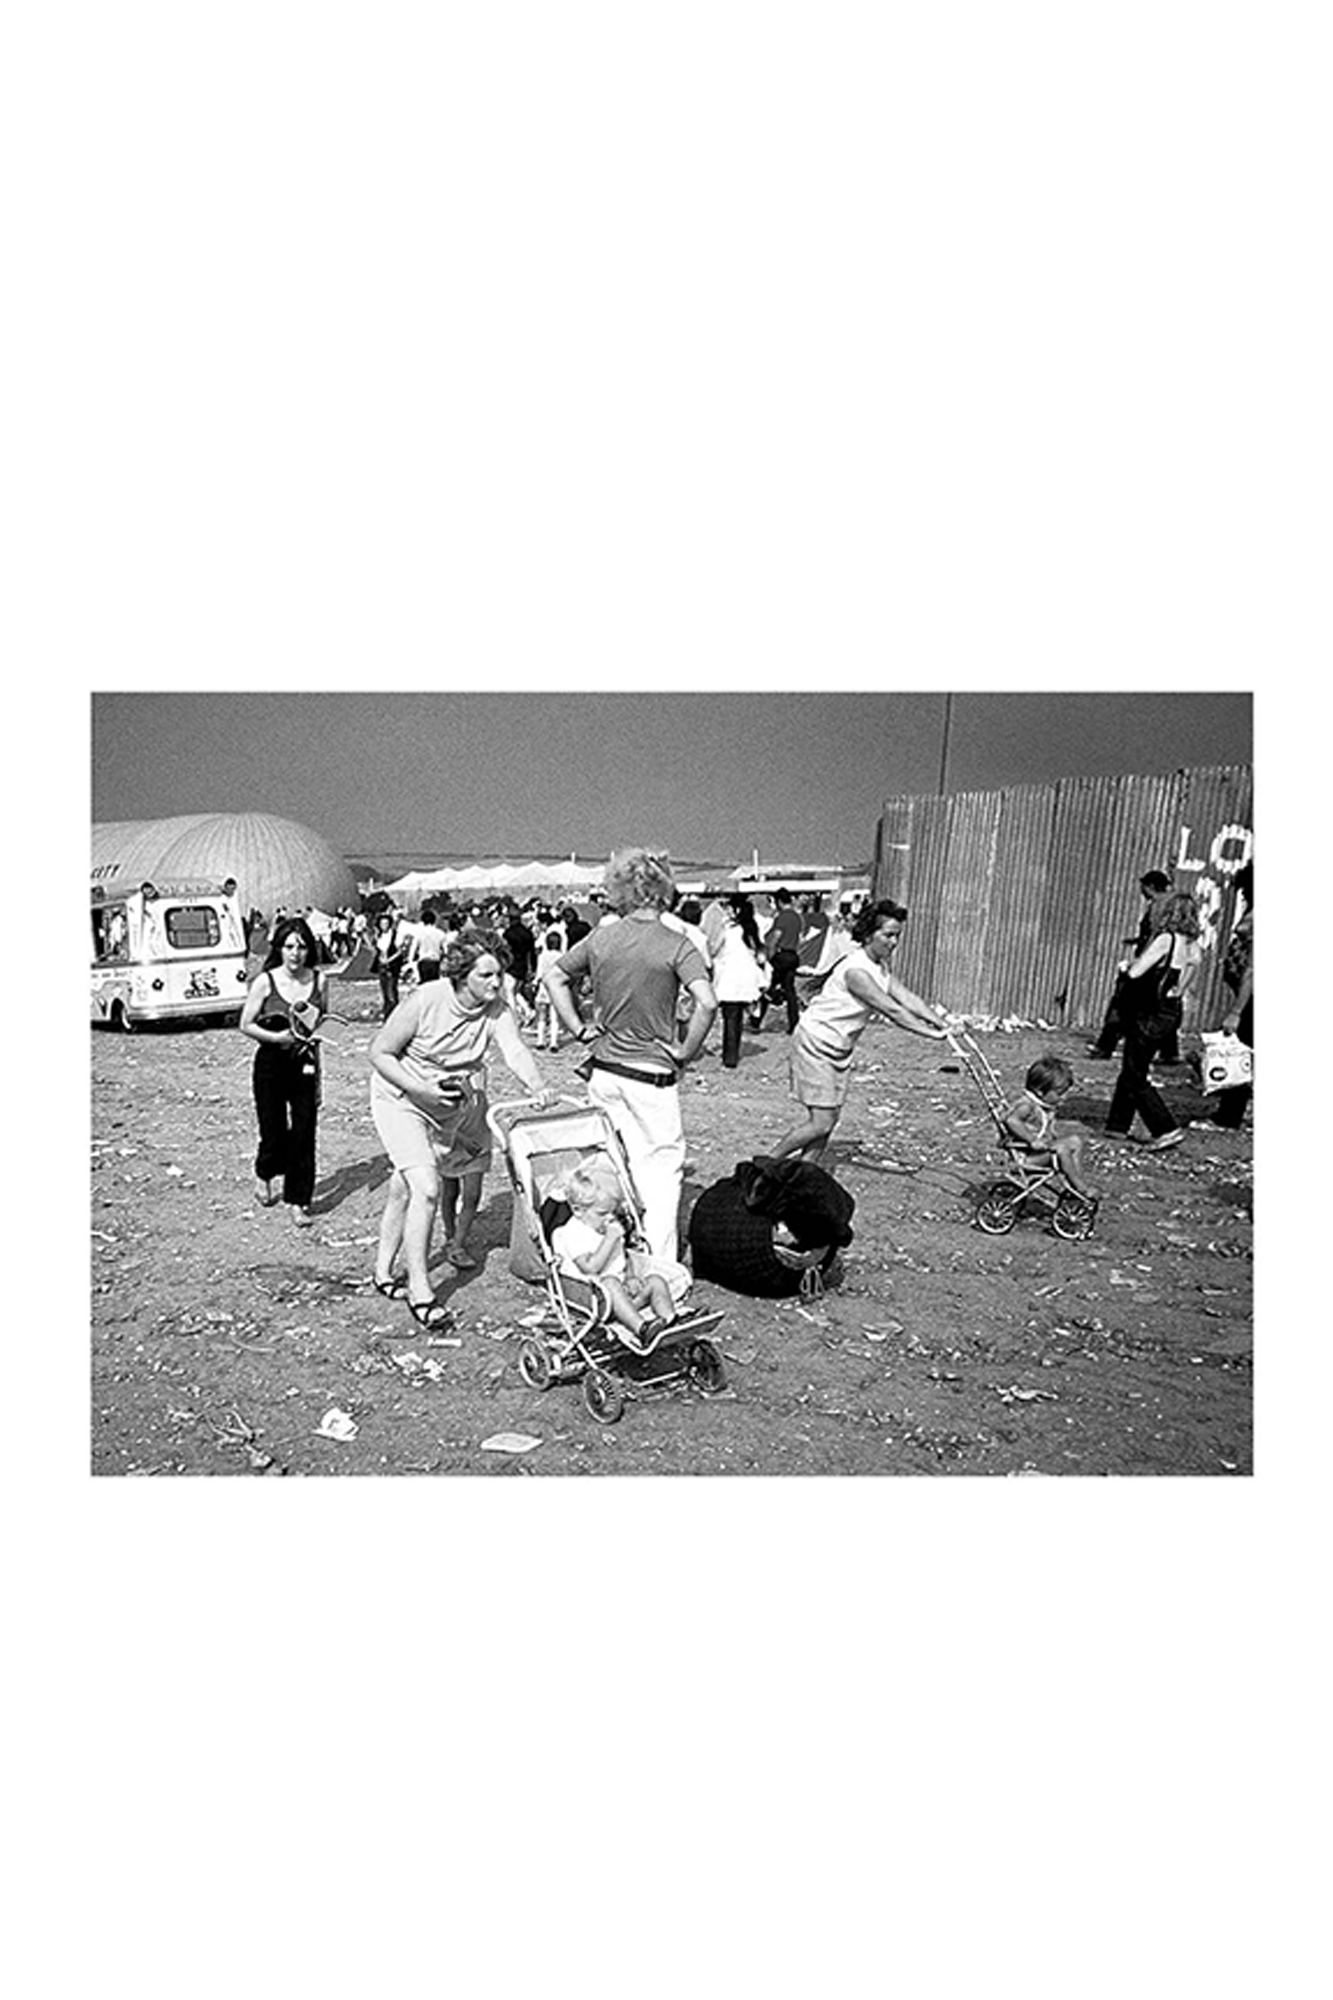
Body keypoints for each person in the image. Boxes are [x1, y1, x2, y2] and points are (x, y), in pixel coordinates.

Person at [543, 847, 717, 1264]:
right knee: (659, 1171)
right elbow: (707, 1003)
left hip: (604, 1067)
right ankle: (657, 1264)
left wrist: (579, 1029)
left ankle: (602, 1252)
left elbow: (555, 976)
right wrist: (685, 1051)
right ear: (664, 889)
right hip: (650, 1073)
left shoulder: (601, 938)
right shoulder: (678, 944)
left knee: (608, 1163)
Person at [369, 930, 549, 1329]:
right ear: (461, 974)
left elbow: (515, 1049)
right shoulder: (427, 999)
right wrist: (421, 1089)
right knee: (428, 1188)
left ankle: (382, 1272)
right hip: (401, 1098)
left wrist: (537, 1086)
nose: (496, 982)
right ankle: (421, 1288)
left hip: (447, 1106)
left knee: (405, 1184)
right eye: (486, 975)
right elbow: (379, 1052)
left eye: (499, 974)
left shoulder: (497, 1010)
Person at [769, 899, 948, 1164]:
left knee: (828, 1121)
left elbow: (906, 998)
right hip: (816, 1043)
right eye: (887, 935)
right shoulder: (856, 971)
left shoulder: (879, 967)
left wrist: (940, 1022)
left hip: (839, 1048)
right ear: (868, 934)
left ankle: (804, 1174)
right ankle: (766, 1162)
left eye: (897, 936)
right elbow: (892, 1010)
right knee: (821, 1122)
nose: (894, 942)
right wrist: (929, 1034)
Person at [239, 916, 326, 1225]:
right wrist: (276, 1037)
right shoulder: (266, 981)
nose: (295, 953)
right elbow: (245, 1024)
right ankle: (264, 1171)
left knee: (304, 1133)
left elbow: (320, 1024)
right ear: (280, 948)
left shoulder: (319, 980)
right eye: (289, 946)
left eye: (302, 947)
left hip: (304, 1064)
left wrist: (317, 1074)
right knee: (273, 1131)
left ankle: (298, 1201)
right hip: (271, 1064)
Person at [1105, 890, 1202, 1152]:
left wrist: (1125, 966)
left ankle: (1165, 1127)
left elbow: (1136, 972)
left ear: (1169, 913)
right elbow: (1180, 987)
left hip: (1148, 1013)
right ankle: (1117, 1125)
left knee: (1136, 1073)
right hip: (1170, 1013)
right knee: (1133, 1066)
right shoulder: (1194, 947)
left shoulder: (1165, 940)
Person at [549, 1160, 680, 1349]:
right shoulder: (573, 1234)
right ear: (578, 1210)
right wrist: (609, 1239)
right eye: (602, 1213)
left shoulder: (608, 1227)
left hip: (624, 1296)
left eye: (612, 1212)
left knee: (655, 1280)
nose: (609, 1218)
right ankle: (642, 1329)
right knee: (610, 1282)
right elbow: (590, 1268)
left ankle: (669, 1320)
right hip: (596, 1301)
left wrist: (632, 1276)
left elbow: (623, 1257)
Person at [1088, 870, 1176, 1062]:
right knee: (1157, 1007)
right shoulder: (1170, 903)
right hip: (1159, 966)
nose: (1142, 891)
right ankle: (1170, 1053)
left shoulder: (1158, 907)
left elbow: (1155, 937)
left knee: (1121, 1004)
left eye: (1143, 886)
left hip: (1148, 965)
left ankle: (1105, 1047)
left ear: (1150, 887)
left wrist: (1138, 962)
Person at [1002, 1055, 1097, 1199]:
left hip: (1038, 1153)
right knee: (1062, 1149)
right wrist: (1031, 1139)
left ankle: (1076, 1180)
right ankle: (1080, 1187)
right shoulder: (1027, 1106)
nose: (1064, 1098)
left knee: (1075, 1141)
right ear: (1040, 1091)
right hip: (1025, 1158)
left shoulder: (1044, 1106)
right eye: (1060, 1094)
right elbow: (1012, 1121)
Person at [1209, 861, 1254, 1131]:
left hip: (1252, 1000)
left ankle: (1229, 1116)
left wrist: (1236, 1011)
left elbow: (1253, 969)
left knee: (1239, 1052)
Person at [712, 894, 765, 1068]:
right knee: (738, 1018)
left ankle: (729, 1057)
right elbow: (759, 953)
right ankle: (733, 1053)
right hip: (747, 978)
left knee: (729, 1017)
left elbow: (715, 948)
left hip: (729, 977)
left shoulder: (729, 929)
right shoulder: (751, 928)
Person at [755, 886, 803, 1032]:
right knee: (790, 991)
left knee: (766, 986)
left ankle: (756, 1020)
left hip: (781, 955)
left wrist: (769, 959)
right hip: (793, 955)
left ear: (779, 901)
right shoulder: (797, 917)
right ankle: (794, 1023)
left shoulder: (782, 917)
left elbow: (774, 938)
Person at [370, 910, 406, 1019]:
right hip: (381, 966)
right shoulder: (379, 936)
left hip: (392, 966)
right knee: (385, 992)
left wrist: (389, 959)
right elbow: (377, 950)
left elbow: (400, 951)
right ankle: (387, 1015)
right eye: (381, 924)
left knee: (392, 993)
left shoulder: (395, 935)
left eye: (385, 923)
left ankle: (395, 1016)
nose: (383, 926)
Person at [532, 929, 565, 1049]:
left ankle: (540, 1041)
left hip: (543, 988)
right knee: (554, 1017)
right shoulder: (561, 956)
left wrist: (535, 982)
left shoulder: (542, 956)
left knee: (541, 1016)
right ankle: (553, 1042)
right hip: (557, 988)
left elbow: (539, 973)